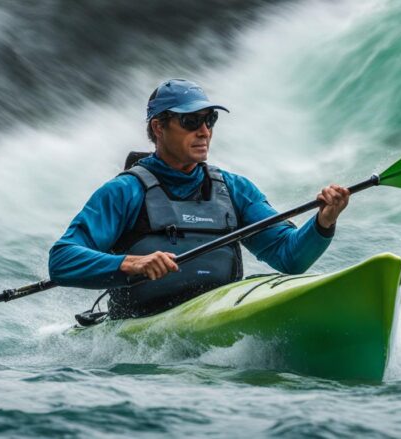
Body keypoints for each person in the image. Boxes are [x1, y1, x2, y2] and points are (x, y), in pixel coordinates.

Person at [49, 79, 349, 320]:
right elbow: (61, 260)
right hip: (142, 324)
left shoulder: (235, 189)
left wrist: (323, 222)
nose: (204, 131)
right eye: (191, 121)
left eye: (210, 119)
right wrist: (131, 263)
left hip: (218, 313)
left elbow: (289, 257)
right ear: (158, 127)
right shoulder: (124, 191)